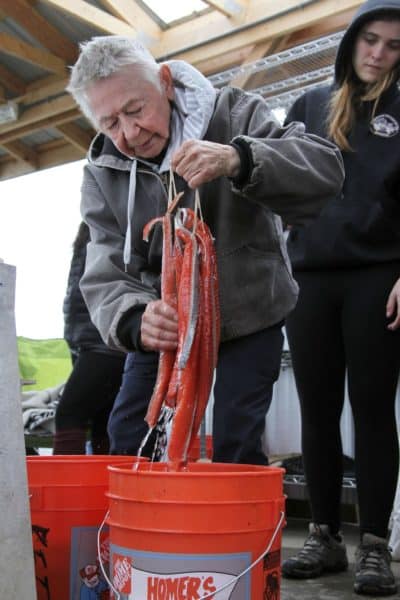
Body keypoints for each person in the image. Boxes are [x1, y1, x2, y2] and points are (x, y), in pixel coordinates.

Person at [66, 35, 344, 465]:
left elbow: (324, 170)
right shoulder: (102, 172)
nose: (130, 132)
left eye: (136, 110)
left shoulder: (236, 111)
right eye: (110, 124)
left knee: (237, 439)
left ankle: (236, 532)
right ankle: (143, 530)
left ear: (165, 82)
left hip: (252, 310)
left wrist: (240, 159)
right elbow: (104, 267)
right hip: (167, 324)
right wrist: (136, 317)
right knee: (130, 433)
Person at [281, 0, 400, 596]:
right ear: (352, 40)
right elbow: (278, 178)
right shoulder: (306, 105)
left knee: (374, 410)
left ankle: (374, 544)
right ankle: (325, 535)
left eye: (392, 45)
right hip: (311, 277)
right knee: (317, 410)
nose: (377, 54)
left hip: (380, 273)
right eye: (369, 39)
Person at [53, 221, 126, 454]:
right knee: (102, 422)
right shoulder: (95, 223)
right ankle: (100, 483)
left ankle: (65, 486)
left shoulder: (110, 224)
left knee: (70, 414)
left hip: (104, 342)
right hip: (92, 340)